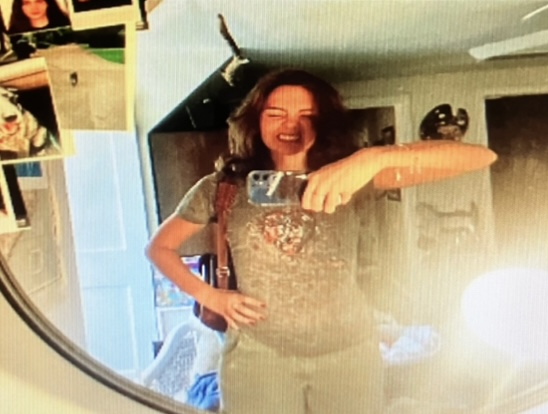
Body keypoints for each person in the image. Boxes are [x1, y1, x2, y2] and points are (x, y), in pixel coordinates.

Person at [145, 69, 497, 414]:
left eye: (307, 115)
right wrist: (210, 296)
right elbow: (159, 248)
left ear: (324, 122)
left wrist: (373, 157)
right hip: (258, 356)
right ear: (255, 120)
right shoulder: (223, 187)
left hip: (348, 355)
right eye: (275, 114)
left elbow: (482, 157)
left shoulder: (355, 177)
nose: (291, 125)